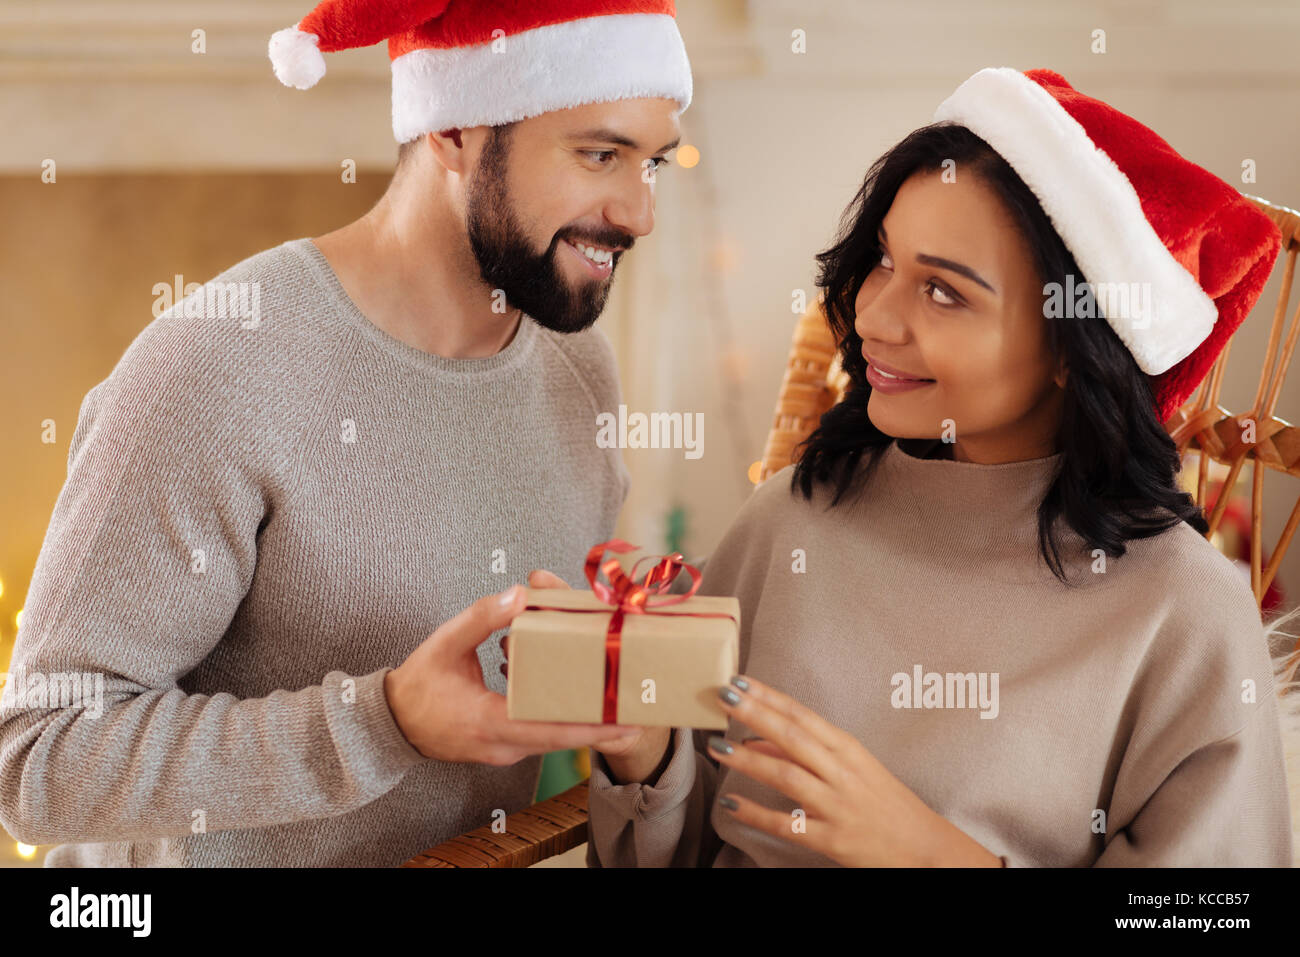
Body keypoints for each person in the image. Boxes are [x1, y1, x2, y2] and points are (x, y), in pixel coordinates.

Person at [0, 0, 691, 866]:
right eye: (600, 154)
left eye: (653, 162)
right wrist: (384, 721)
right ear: (456, 129)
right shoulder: (216, 361)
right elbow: (37, 761)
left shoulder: (577, 369)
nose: (640, 212)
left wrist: (636, 720)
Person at [580, 67, 1294, 866]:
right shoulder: (793, 518)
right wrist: (642, 753)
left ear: (1072, 346)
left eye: (944, 293)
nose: (875, 316)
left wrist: (930, 853)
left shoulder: (1183, 609)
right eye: (883, 261)